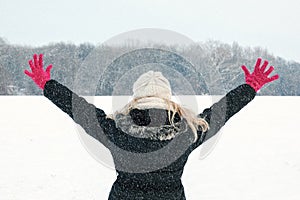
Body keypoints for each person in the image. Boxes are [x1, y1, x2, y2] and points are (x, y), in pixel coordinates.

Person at [24, 54, 279, 200]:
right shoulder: (187, 132)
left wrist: (48, 85)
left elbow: (78, 109)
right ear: (168, 99)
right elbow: (222, 112)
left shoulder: (114, 129)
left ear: (136, 98)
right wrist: (249, 87)